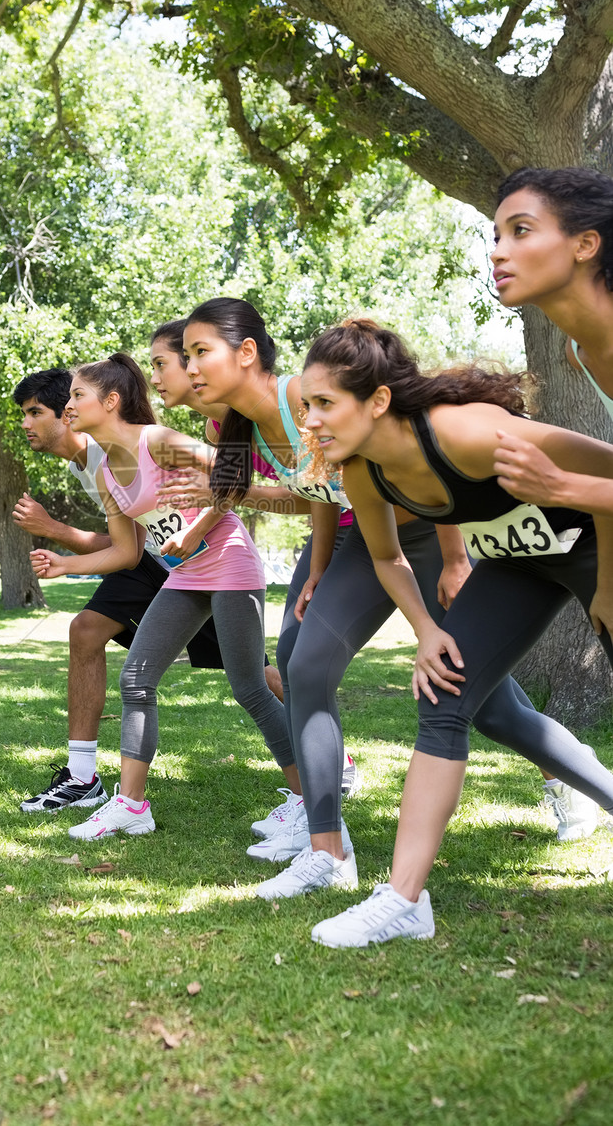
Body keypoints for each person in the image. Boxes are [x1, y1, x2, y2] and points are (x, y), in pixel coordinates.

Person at [179, 299, 601, 904]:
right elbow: (330, 494)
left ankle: (581, 780)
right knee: (318, 668)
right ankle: (331, 852)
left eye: (199, 353)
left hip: (456, 536)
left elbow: (437, 478)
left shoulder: (329, 398)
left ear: (247, 353)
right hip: (410, 544)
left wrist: (458, 560)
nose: (189, 369)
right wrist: (324, 570)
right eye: (184, 357)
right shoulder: (263, 433)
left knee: (489, 708)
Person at [299, 320, 613, 949]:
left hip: (598, 546)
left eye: (324, 404)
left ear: (378, 400)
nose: (309, 421)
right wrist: (423, 630)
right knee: (442, 694)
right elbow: (388, 558)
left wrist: (606, 583)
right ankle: (403, 901)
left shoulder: (465, 433)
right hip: (521, 561)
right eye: (306, 405)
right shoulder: (363, 471)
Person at [30, 353, 304, 842]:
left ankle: (310, 803)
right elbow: (124, 552)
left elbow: (233, 473)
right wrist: (66, 564)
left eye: (76, 396)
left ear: (110, 402)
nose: (66, 406)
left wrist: (197, 527)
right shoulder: (105, 471)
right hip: (186, 575)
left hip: (230, 565)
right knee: (136, 680)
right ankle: (131, 806)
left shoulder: (155, 441)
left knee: (250, 688)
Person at [150, 317, 363, 800]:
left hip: (380, 528)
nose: (178, 372)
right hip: (335, 532)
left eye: (185, 359)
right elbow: (238, 494)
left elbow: (305, 492)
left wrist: (220, 503)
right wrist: (197, 529)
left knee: (465, 666)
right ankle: (319, 791)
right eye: (183, 358)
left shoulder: (291, 402)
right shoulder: (220, 424)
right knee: (292, 664)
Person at [11, 367, 229, 812]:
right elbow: (127, 546)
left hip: (189, 562)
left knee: (252, 674)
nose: (26, 424)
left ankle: (333, 762)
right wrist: (66, 559)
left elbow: (124, 544)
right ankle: (81, 777)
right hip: (147, 563)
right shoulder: (86, 461)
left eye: (35, 412)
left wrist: (53, 530)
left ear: (67, 414)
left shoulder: (109, 450)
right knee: (85, 631)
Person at [488, 167, 613, 516]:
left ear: (585, 245)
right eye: (497, 238)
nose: (497, 253)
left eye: (521, 230)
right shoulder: (579, 354)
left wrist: (560, 486)